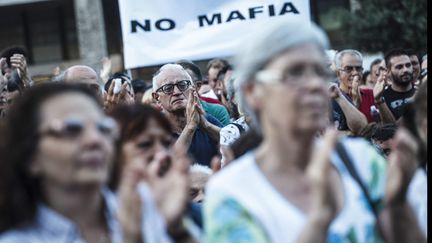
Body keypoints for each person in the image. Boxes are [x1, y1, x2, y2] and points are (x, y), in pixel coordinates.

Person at [204, 19, 425, 243]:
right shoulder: (231, 194)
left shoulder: (361, 160)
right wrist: (320, 220)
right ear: (253, 92)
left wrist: (399, 204)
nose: (314, 85)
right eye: (294, 73)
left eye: (320, 72)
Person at [0, 83, 176, 243]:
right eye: (72, 129)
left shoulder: (140, 204)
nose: (94, 140)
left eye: (104, 128)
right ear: (31, 156)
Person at [108, 104, 199, 242]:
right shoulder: (96, 212)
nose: (161, 153)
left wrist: (176, 227)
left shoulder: (187, 210)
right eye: (145, 144)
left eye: (166, 143)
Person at [152, 63, 222, 167]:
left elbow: (234, 143)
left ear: (193, 89)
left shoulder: (208, 120)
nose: (176, 92)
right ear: (156, 98)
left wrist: (207, 126)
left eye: (183, 85)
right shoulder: (153, 129)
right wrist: (190, 128)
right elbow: (166, 166)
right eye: (168, 88)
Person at [177, 60, 231, 126]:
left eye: (183, 84)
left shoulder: (217, 111)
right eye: (169, 86)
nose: (176, 91)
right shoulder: (163, 117)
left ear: (198, 85)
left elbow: (226, 135)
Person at [330, 49, 369, 132]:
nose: (355, 73)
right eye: (348, 69)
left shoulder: (371, 94)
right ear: (338, 73)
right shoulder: (331, 96)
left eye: (358, 68)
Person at [379, 49, 416, 120]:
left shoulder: (422, 92)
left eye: (408, 65)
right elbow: (389, 128)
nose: (405, 70)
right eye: (399, 67)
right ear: (388, 71)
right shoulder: (382, 98)